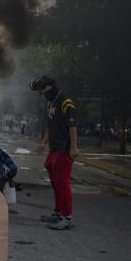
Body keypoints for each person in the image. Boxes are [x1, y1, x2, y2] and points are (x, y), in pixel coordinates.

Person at [30, 76, 79, 230]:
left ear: (50, 87)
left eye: (41, 91)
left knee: (62, 183)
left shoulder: (66, 102)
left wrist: (74, 147)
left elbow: (72, 126)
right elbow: (50, 125)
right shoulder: (50, 103)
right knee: (54, 180)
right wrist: (43, 142)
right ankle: (58, 213)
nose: (41, 95)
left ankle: (67, 218)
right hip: (54, 148)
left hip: (64, 148)